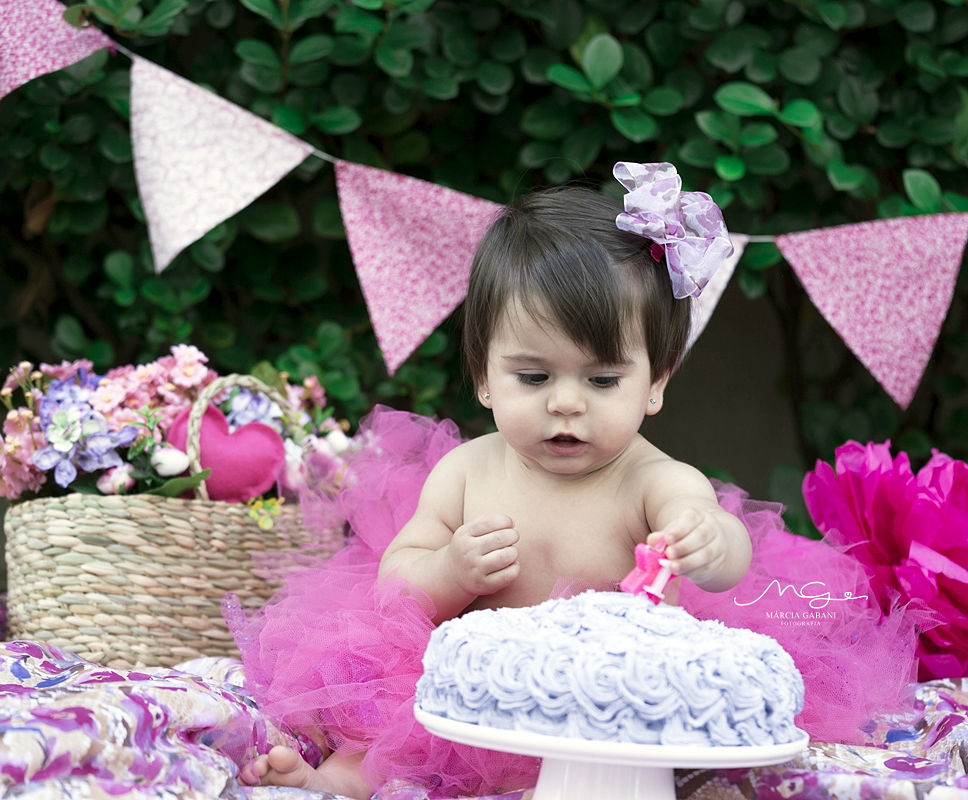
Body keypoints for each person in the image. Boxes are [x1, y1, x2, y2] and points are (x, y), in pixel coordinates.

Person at [227, 162, 918, 799]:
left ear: (656, 383)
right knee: (391, 710)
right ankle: (339, 781)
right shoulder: (465, 472)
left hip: (619, 706)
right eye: (533, 377)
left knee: (691, 754)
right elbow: (396, 584)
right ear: (484, 377)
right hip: (484, 699)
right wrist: (450, 569)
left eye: (603, 380)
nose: (565, 403)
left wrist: (708, 541)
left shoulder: (651, 479)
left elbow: (723, 550)